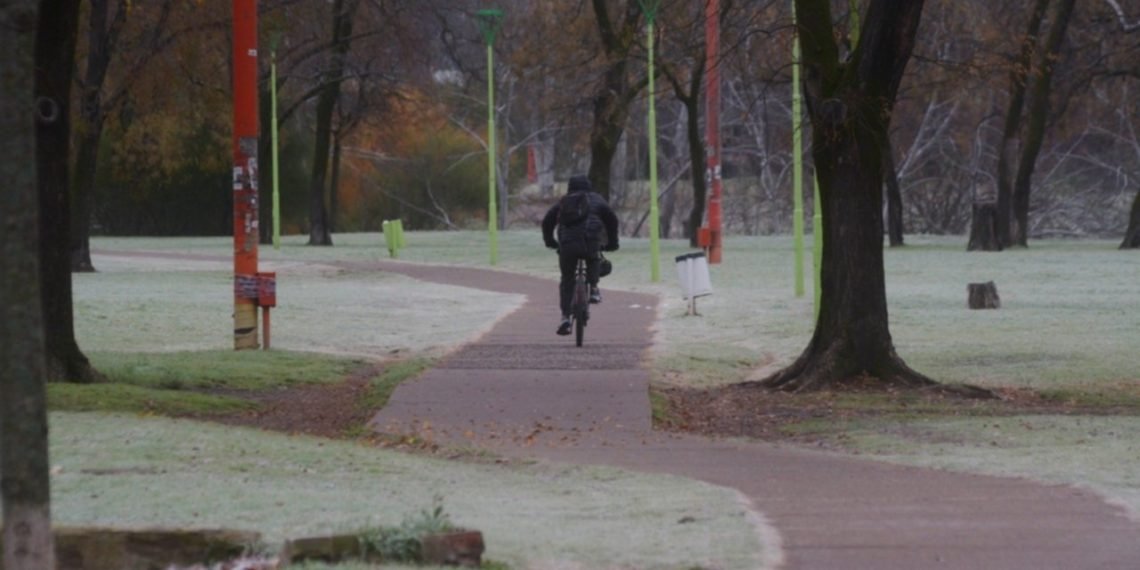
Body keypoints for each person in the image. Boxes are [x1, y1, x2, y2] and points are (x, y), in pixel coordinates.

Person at [542, 175, 620, 336]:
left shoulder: (564, 201)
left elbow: (547, 221)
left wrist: (551, 241)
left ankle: (565, 318)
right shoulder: (597, 200)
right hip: (590, 241)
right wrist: (613, 243)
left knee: (567, 279)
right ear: (589, 186)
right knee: (593, 257)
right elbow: (612, 220)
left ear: (570, 187)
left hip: (567, 244)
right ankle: (594, 290)